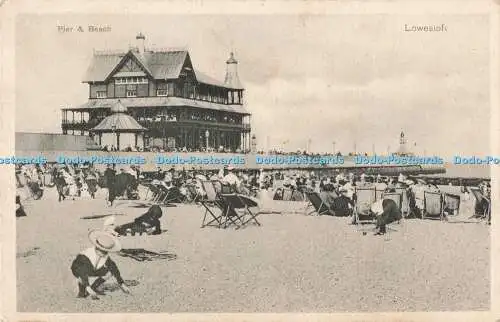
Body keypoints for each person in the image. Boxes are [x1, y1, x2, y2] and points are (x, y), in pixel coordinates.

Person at [70, 230, 130, 299]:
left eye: (106, 252)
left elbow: (113, 267)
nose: (104, 254)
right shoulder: (85, 255)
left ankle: (94, 287)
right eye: (102, 251)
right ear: (97, 247)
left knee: (110, 272)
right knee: (82, 276)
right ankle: (82, 293)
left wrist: (121, 284)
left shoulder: (105, 256)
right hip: (78, 269)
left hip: (93, 269)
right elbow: (81, 271)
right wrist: (88, 287)